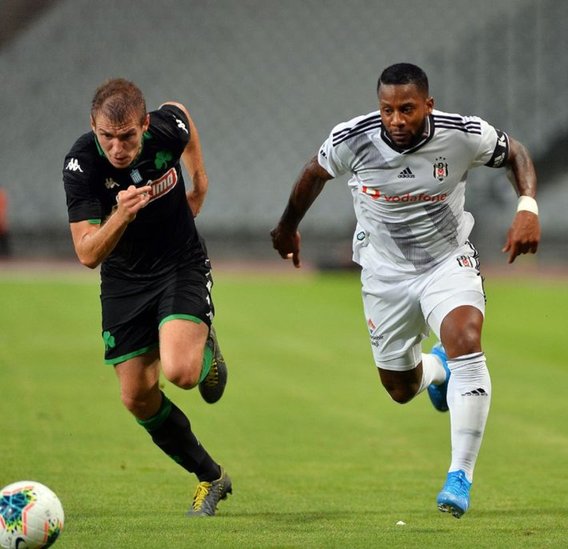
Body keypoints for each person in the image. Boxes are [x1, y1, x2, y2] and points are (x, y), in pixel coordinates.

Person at [271, 63, 540, 518]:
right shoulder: (353, 139)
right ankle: (437, 370)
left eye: (407, 109)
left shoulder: (462, 134)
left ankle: (459, 476)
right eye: (387, 110)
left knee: (466, 339)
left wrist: (527, 207)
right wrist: (286, 227)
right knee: (400, 388)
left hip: (446, 262)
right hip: (384, 273)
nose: (395, 119)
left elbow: (516, 152)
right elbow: (314, 172)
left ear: (428, 105)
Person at [63, 78, 232, 517]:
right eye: (107, 136)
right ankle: (211, 476)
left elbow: (181, 112)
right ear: (93, 127)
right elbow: (87, 254)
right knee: (136, 397)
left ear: (144, 124)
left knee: (181, 372)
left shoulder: (165, 130)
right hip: (124, 281)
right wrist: (121, 214)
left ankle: (203, 345)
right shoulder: (81, 165)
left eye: (127, 137)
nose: (117, 148)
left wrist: (200, 180)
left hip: (180, 263)